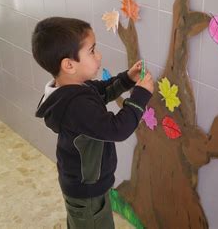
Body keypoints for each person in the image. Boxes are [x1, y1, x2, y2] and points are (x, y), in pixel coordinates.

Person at [33, 17, 154, 228]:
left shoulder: (72, 88)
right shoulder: (76, 106)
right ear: (69, 65)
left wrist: (127, 79)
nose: (98, 56)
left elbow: (102, 91)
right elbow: (117, 129)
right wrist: (141, 95)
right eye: (92, 51)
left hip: (84, 184)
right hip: (87, 191)